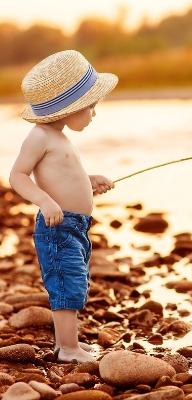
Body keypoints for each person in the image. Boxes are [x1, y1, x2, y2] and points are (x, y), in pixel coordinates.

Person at [9, 50, 118, 363]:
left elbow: (65, 174)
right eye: (91, 107)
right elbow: (17, 175)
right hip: (58, 226)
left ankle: (71, 345)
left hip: (77, 226)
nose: (94, 113)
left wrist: (90, 180)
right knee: (65, 283)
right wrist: (44, 201)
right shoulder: (39, 136)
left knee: (76, 280)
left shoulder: (59, 137)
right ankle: (67, 349)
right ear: (67, 108)